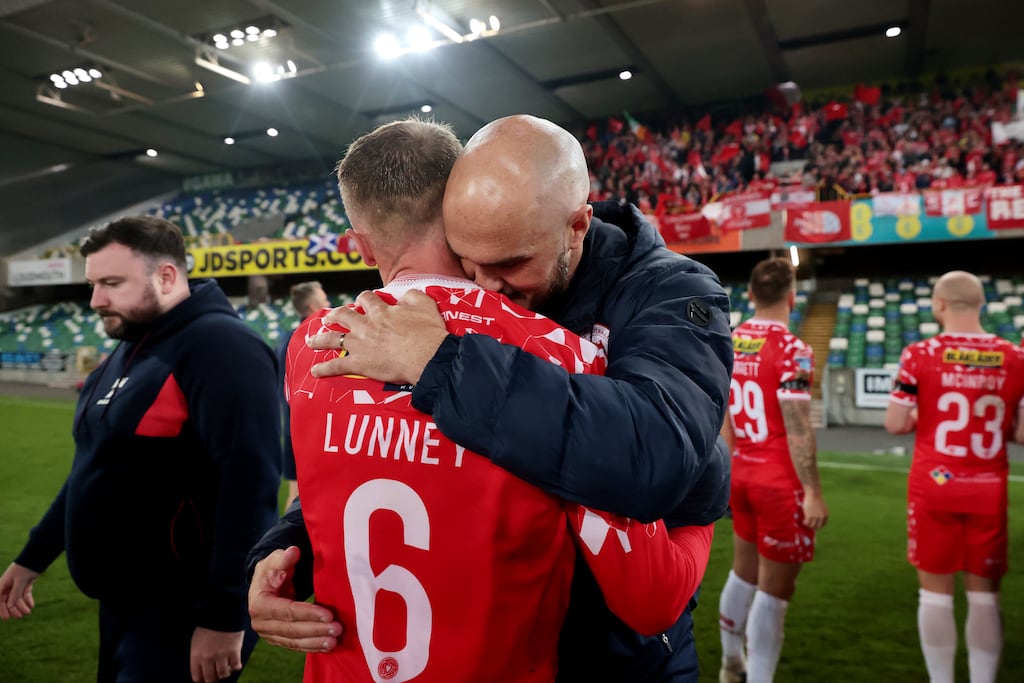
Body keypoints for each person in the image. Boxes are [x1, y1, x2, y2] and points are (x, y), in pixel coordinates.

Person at [247, 114, 734, 681]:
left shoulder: (671, 291)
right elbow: (383, 467)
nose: (484, 289)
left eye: (508, 264)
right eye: (466, 259)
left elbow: (659, 455)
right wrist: (285, 550)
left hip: (620, 659)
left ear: (578, 225)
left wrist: (442, 363)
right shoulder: (443, 323)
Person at [0, 216, 282, 683]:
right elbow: (95, 466)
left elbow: (250, 489)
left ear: (167, 276)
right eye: (93, 284)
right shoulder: (129, 346)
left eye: (111, 283)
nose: (95, 301)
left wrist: (223, 617)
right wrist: (34, 556)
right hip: (123, 608)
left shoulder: (223, 348)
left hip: (182, 613)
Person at [885, 270, 1024, 683]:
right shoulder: (1015, 356)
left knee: (935, 594)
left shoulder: (919, 354)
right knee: (985, 597)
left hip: (935, 485)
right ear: (981, 304)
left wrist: (920, 416)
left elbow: (894, 423)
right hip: (987, 487)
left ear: (940, 305)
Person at [717, 257, 828, 683]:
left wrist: (731, 466)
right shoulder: (793, 350)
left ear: (749, 295)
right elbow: (798, 425)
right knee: (775, 592)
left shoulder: (730, 338)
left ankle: (731, 665)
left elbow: (724, 413)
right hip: (779, 482)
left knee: (743, 573)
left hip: (740, 473)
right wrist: (813, 490)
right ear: (791, 297)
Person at [277, 280, 331, 508]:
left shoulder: (288, 338)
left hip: (292, 427)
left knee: (296, 492)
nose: (329, 302)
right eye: (324, 298)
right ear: (312, 306)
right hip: (317, 429)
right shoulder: (322, 338)